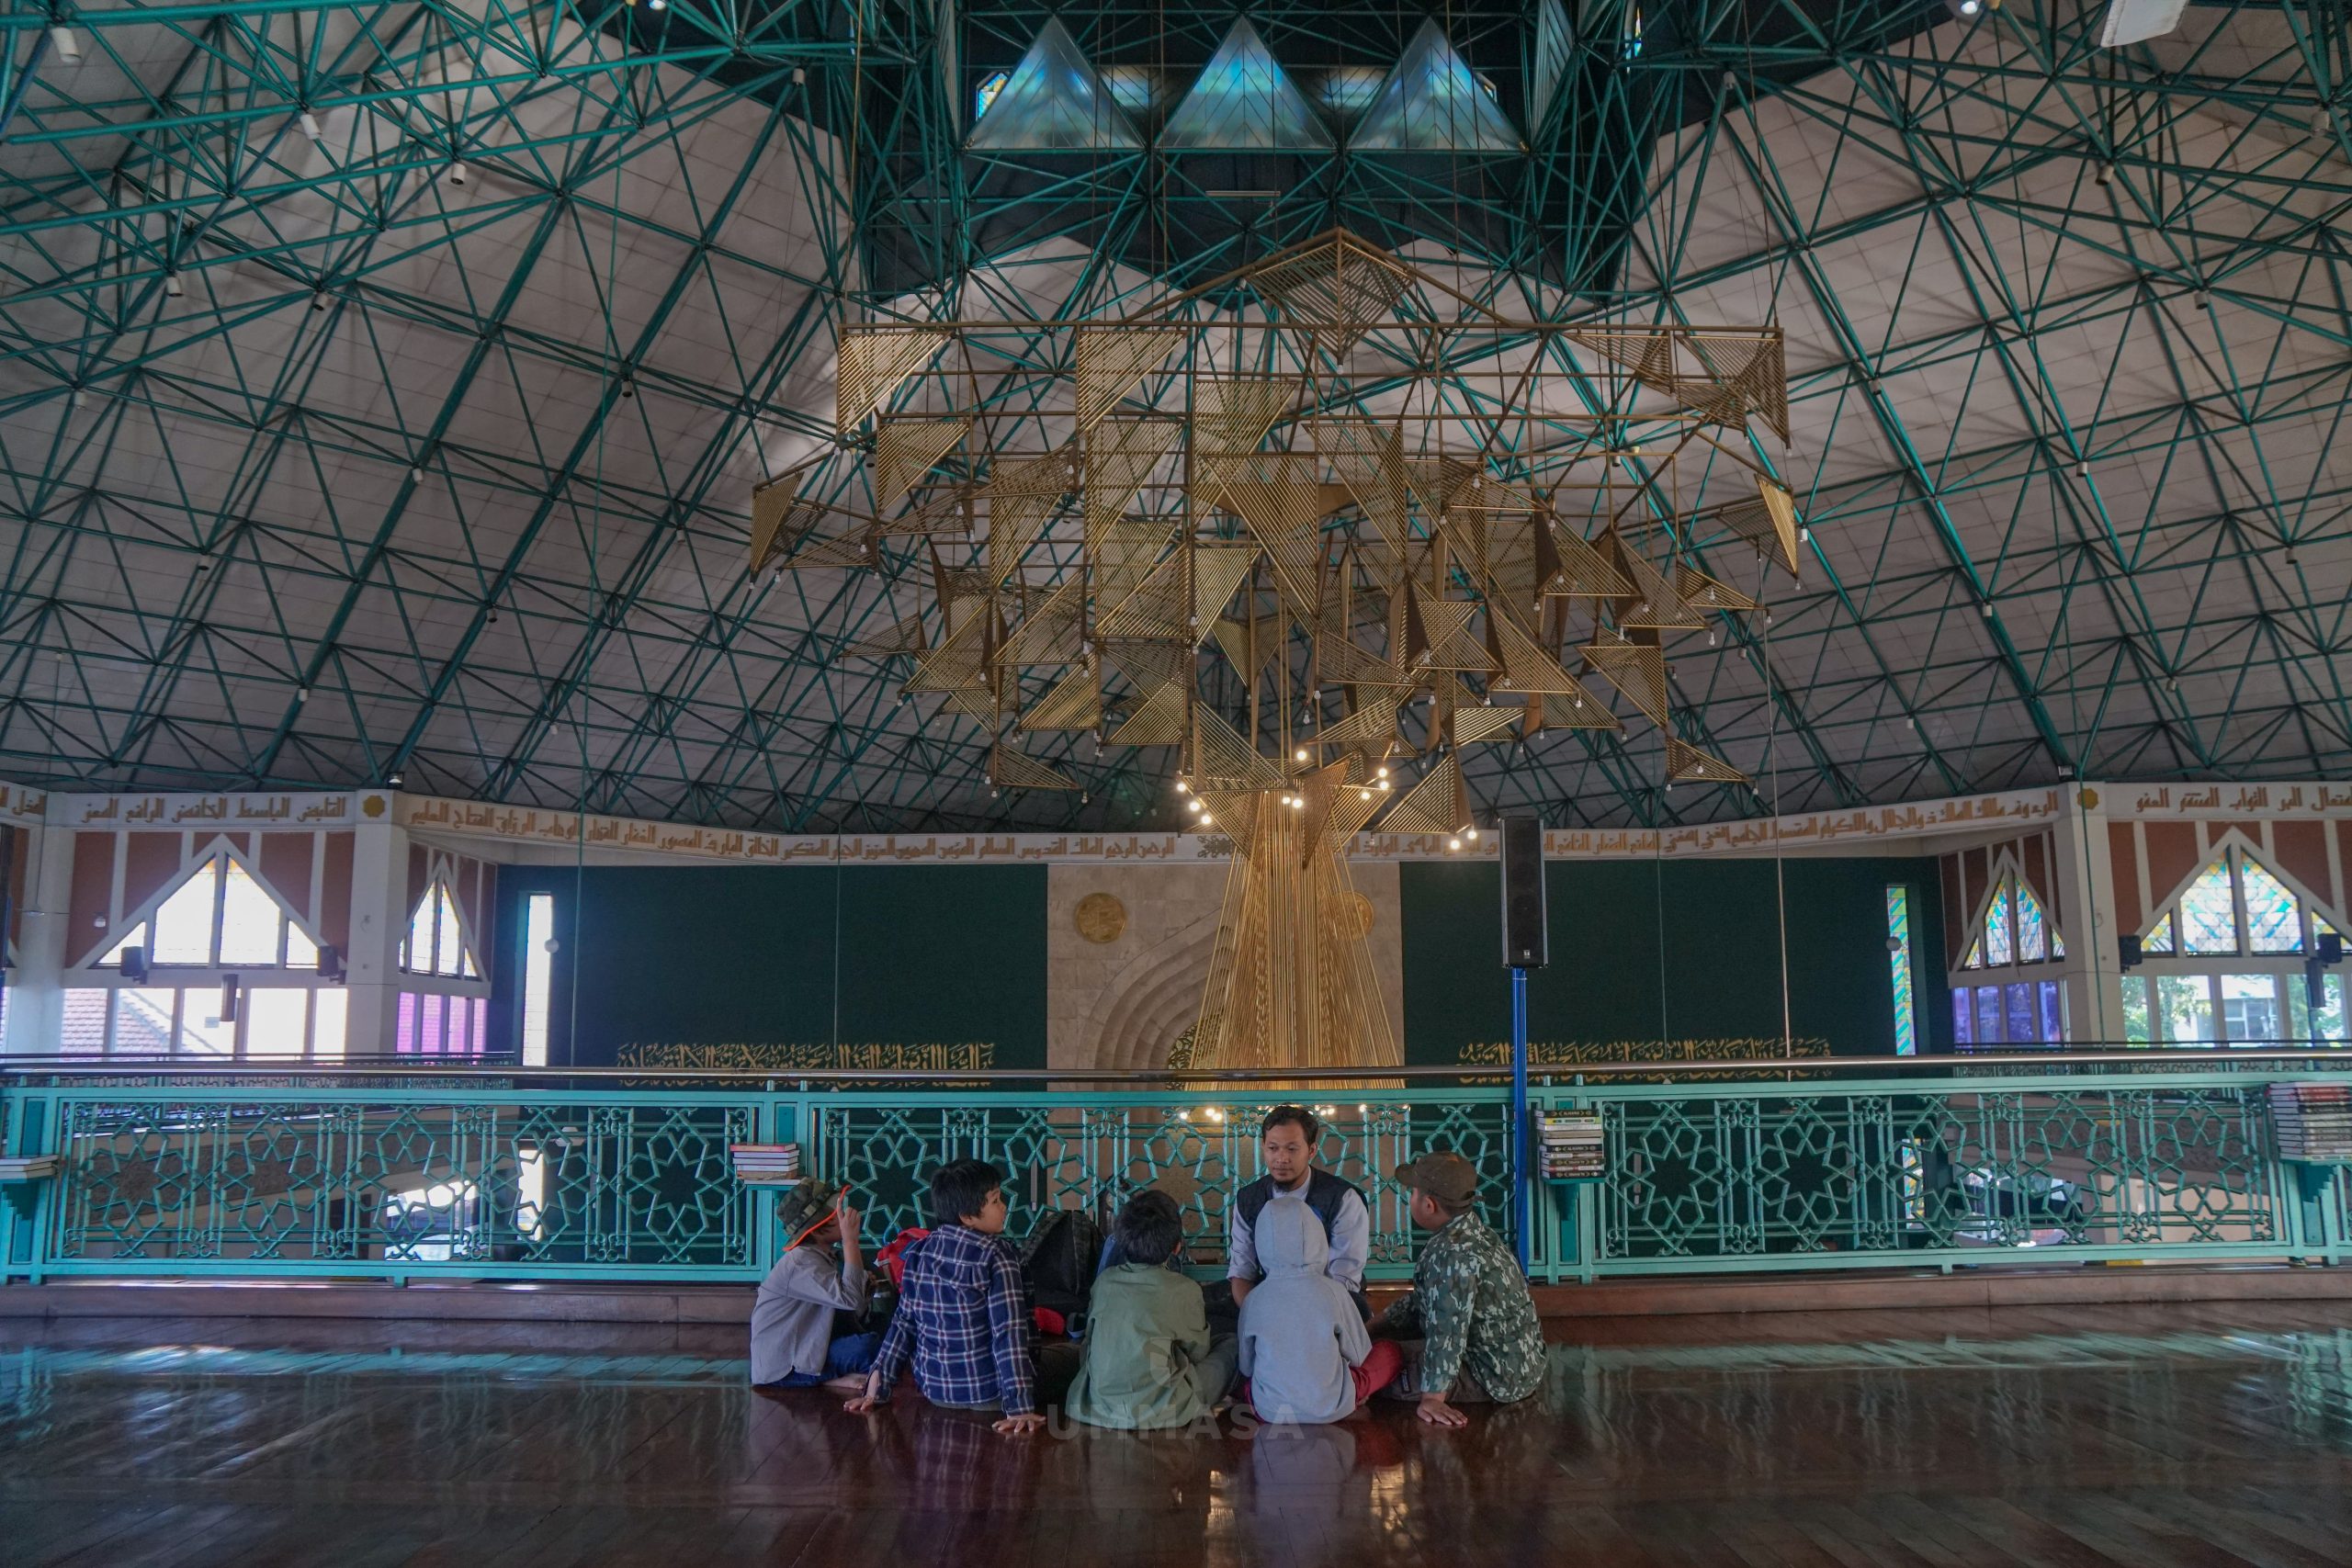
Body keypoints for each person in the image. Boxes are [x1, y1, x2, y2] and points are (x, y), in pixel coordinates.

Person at [845, 1158, 1044, 1434]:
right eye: (995, 1200)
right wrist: (1019, 1406)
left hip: (937, 1391)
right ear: (967, 1216)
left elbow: (903, 1323)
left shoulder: (919, 1252)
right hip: (991, 1395)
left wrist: (876, 1388)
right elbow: (1008, 1331)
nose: (1004, 1207)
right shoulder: (998, 1255)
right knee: (1069, 1362)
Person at [1374, 1151, 1547, 1427]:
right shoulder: (1474, 1232)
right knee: (1375, 1344)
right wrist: (1370, 1327)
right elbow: (1421, 1301)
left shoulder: (1451, 1254)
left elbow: (1447, 1331)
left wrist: (1433, 1398)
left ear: (1428, 1205)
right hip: (1522, 1366)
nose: (1410, 1199)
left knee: (1377, 1368)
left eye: (1413, 1193)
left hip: (1490, 1375)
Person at [1064, 1190, 1236, 1429]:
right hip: (1163, 1409)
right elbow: (1198, 1352)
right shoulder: (1184, 1289)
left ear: (1121, 1240)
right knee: (1232, 1346)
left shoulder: (1104, 1282)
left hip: (1098, 1405)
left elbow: (1089, 1343)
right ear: (1176, 1246)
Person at [1235, 1199, 1401, 1424]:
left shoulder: (1253, 1298)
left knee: (1243, 1378)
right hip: (1333, 1405)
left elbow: (1246, 1366)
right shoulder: (1333, 1291)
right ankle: (1356, 1395)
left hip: (1270, 1410)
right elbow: (1359, 1355)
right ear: (1318, 1237)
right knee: (1390, 1351)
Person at [1227, 1105, 1371, 1316]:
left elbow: (1343, 1278)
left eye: (1292, 1149)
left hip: (1330, 1306)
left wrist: (1300, 1321)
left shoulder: (1343, 1198)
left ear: (1311, 1150)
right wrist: (1258, 1315)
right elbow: (1242, 1271)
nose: (1281, 1158)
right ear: (1263, 1146)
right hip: (1268, 1305)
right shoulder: (1248, 1199)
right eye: (1273, 1148)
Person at [751, 1179, 877, 1391]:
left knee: (886, 1331)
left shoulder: (822, 1255)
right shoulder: (801, 1262)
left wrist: (867, 1288)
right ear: (817, 1229)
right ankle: (822, 1377)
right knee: (871, 1348)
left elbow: (852, 1310)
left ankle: (829, 1376)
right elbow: (852, 1300)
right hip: (785, 1367)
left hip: (814, 1346)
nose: (844, 1216)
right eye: (836, 1213)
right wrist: (850, 1241)